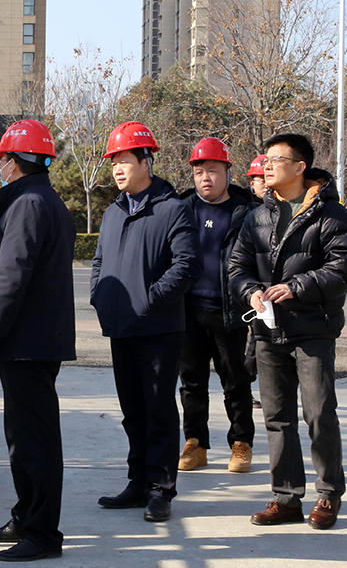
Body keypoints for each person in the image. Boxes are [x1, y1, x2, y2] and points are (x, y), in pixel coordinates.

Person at [229, 133, 347, 530]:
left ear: (300, 167)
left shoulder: (331, 214)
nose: (266, 166)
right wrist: (250, 291)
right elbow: (237, 266)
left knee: (319, 413)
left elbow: (343, 269)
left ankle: (328, 493)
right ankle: (286, 498)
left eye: (276, 159)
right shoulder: (257, 216)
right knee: (276, 418)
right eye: (265, 160)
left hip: (313, 329)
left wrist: (296, 287)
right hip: (268, 331)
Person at [0, 119, 76, 562]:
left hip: (26, 343)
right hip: (31, 341)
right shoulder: (38, 200)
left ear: (14, 162)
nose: (1, 167)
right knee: (22, 437)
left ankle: (43, 533)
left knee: (35, 441)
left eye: (3, 160)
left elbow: (11, 276)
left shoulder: (28, 204)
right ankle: (26, 516)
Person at [90, 121, 202, 523]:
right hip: (121, 327)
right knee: (132, 411)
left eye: (125, 160)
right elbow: (100, 262)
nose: (118, 169)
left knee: (158, 411)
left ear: (146, 162)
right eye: (113, 162)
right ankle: (137, 482)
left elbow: (187, 265)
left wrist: (150, 298)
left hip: (158, 329)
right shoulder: (113, 212)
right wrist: (99, 295)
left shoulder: (172, 209)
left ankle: (160, 489)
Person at [177, 138, 257, 474]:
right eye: (199, 172)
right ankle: (195, 443)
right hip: (189, 312)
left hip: (230, 312)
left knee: (236, 382)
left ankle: (241, 443)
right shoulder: (182, 208)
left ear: (227, 171)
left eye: (212, 170)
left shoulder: (247, 211)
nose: (205, 178)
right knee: (191, 383)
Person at [244, 153, 267, 408]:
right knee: (252, 342)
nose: (265, 184)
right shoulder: (246, 211)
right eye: (260, 179)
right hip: (251, 288)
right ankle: (244, 386)